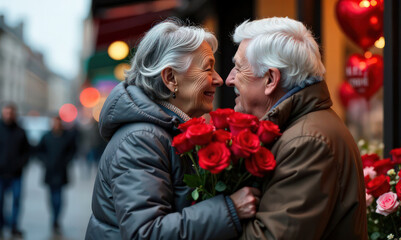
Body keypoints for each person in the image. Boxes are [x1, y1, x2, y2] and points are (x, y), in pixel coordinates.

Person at [85, 19, 260, 240]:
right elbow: (145, 234)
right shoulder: (142, 139)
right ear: (170, 78)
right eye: (208, 68)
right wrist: (230, 209)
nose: (218, 79)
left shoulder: (166, 130)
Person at [225, 17, 368, 239]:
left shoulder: (306, 141)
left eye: (238, 68)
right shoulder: (304, 129)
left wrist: (216, 219)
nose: (229, 79)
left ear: (270, 79)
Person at [36, 116, 77, 233]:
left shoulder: (67, 137)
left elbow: (73, 151)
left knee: (59, 197)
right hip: (50, 171)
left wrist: (66, 161)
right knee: (51, 197)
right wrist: (45, 161)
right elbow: (39, 151)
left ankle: (56, 219)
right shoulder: (46, 136)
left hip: (61, 171)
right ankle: (54, 218)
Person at [0, 103, 30, 237]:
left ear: (14, 114)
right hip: (1, 173)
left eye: (10, 113)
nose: (8, 115)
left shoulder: (21, 131)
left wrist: (21, 164)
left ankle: (14, 226)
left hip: (16, 173)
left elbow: (27, 151)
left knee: (16, 200)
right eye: (6, 112)